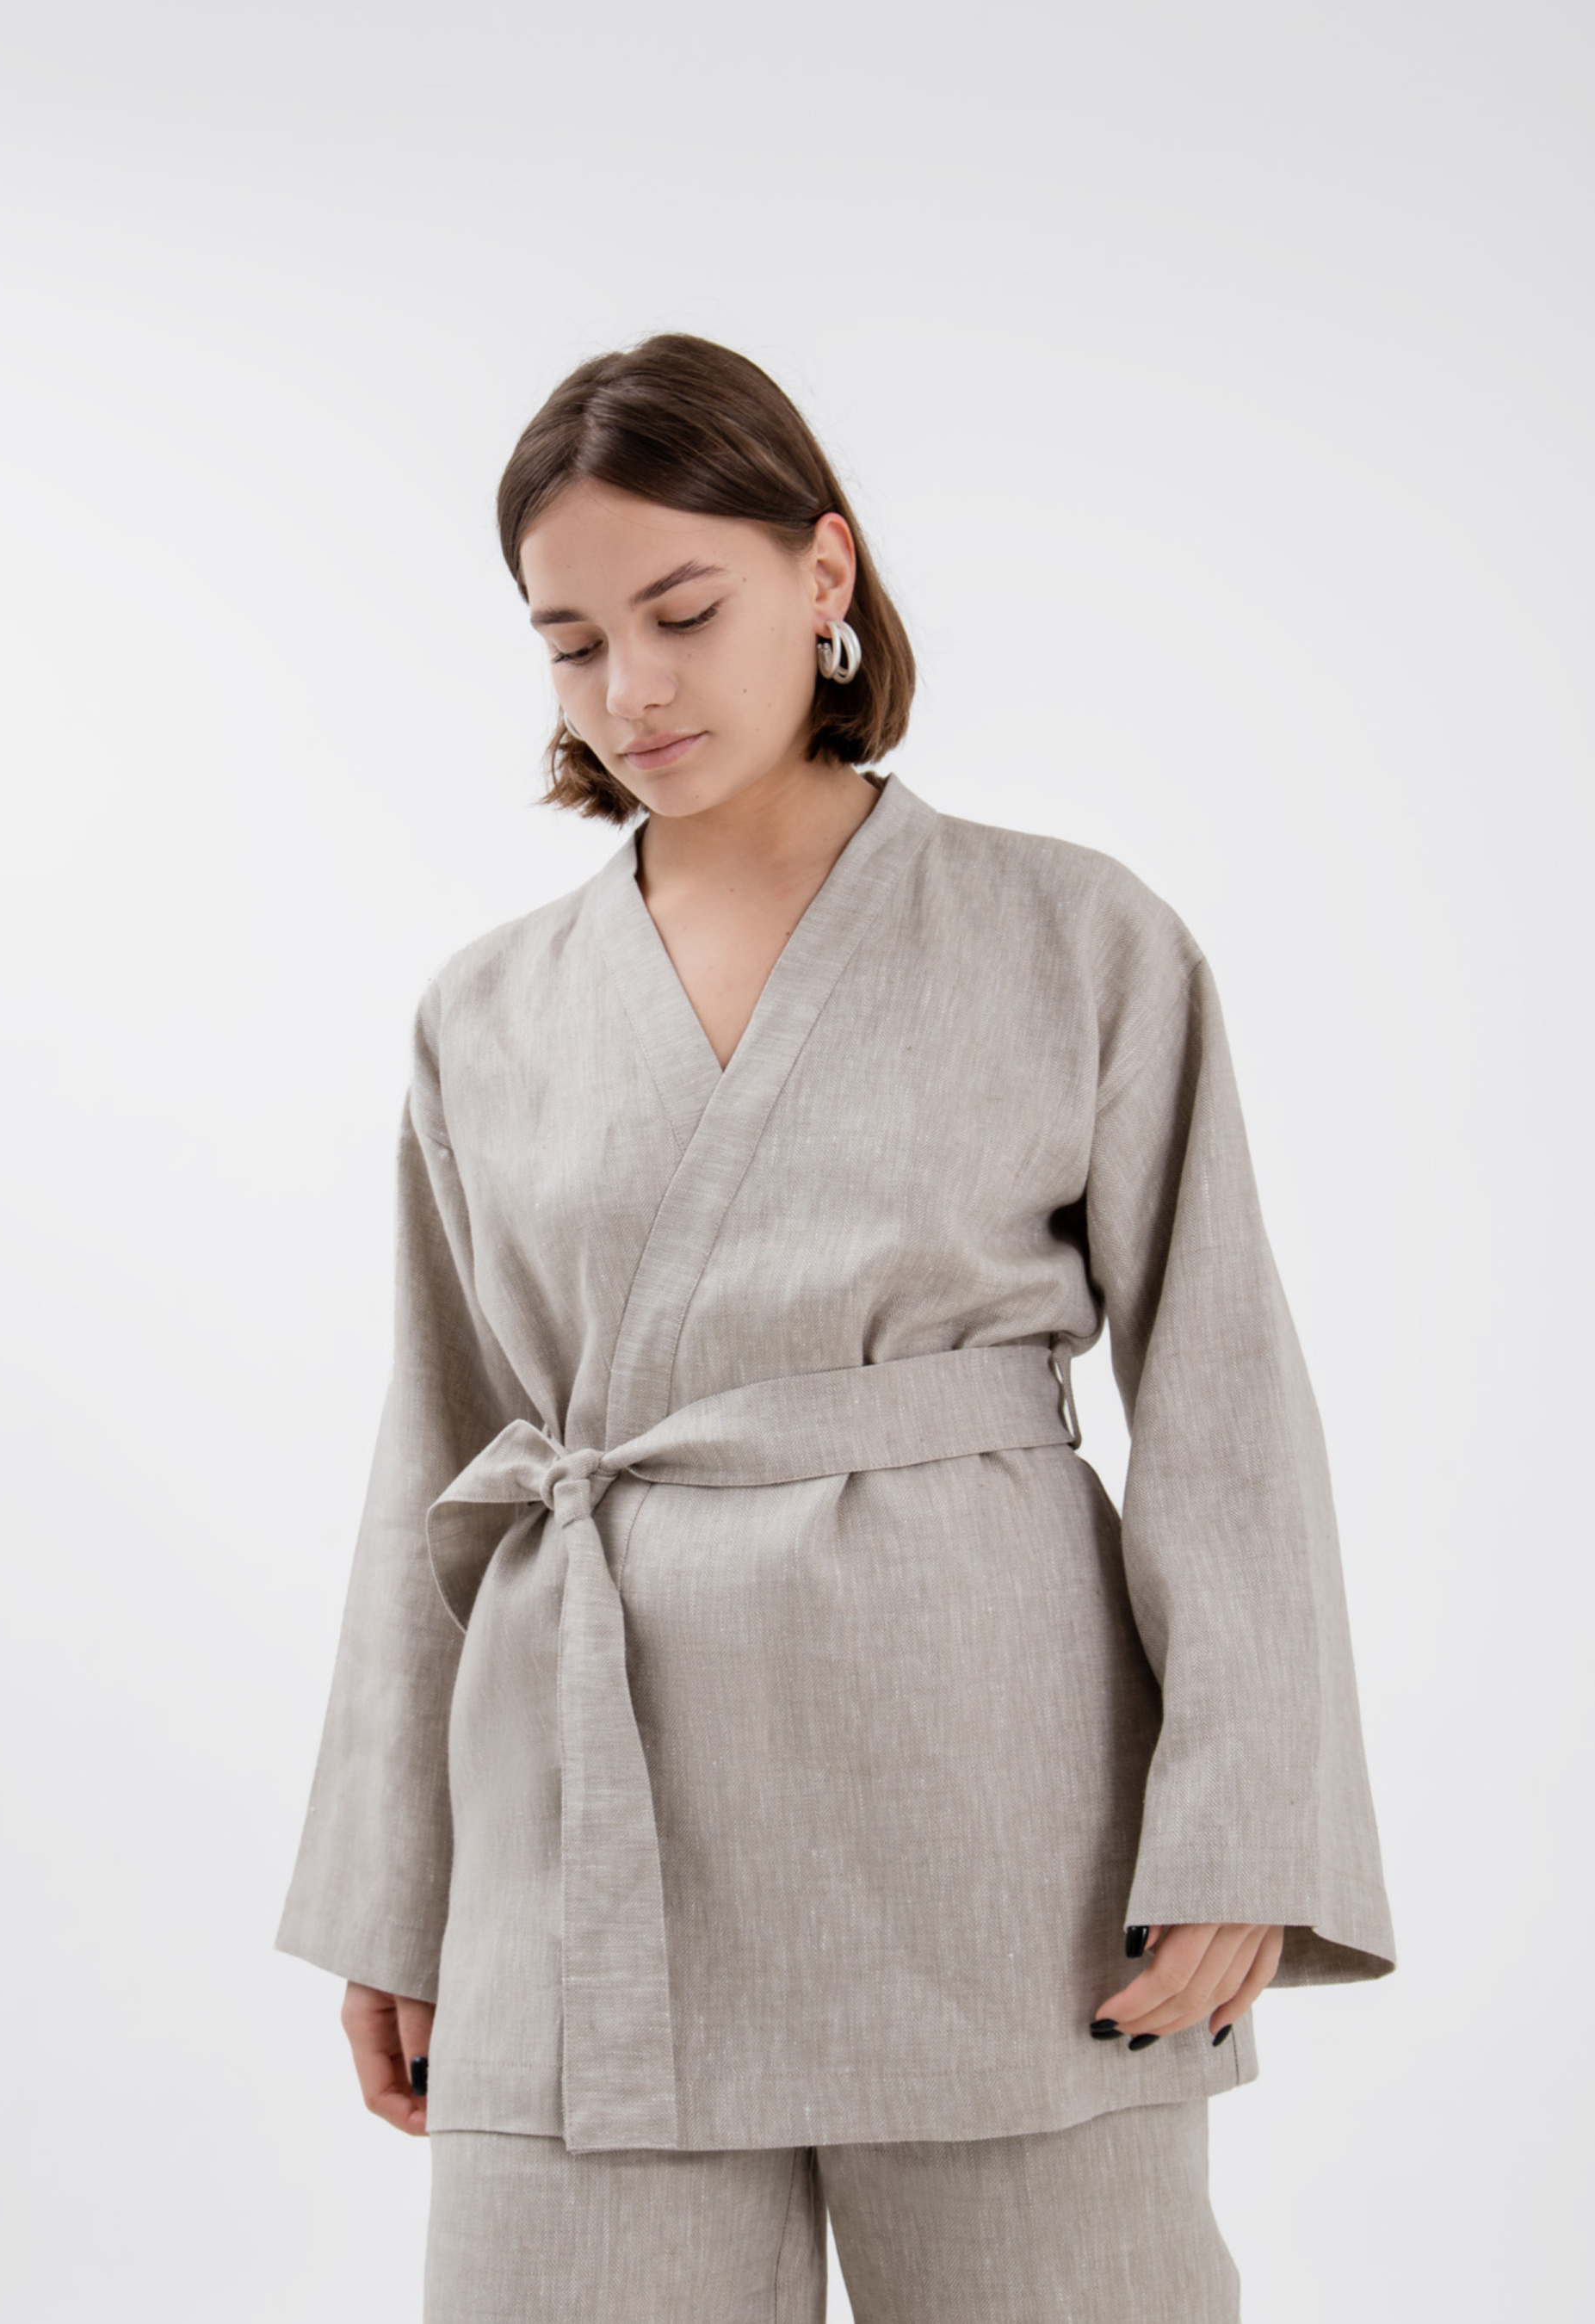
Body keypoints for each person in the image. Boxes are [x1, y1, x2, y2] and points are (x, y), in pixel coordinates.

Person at [275, 333, 1395, 2322]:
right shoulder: (486, 1012)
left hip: (998, 1824)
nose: (629, 689)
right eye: (567, 643)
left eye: (681, 612)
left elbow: (1221, 1395)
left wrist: (1242, 1825)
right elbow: (432, 1450)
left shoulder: (1073, 937)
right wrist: (394, 1884)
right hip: (578, 1828)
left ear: (822, 574)